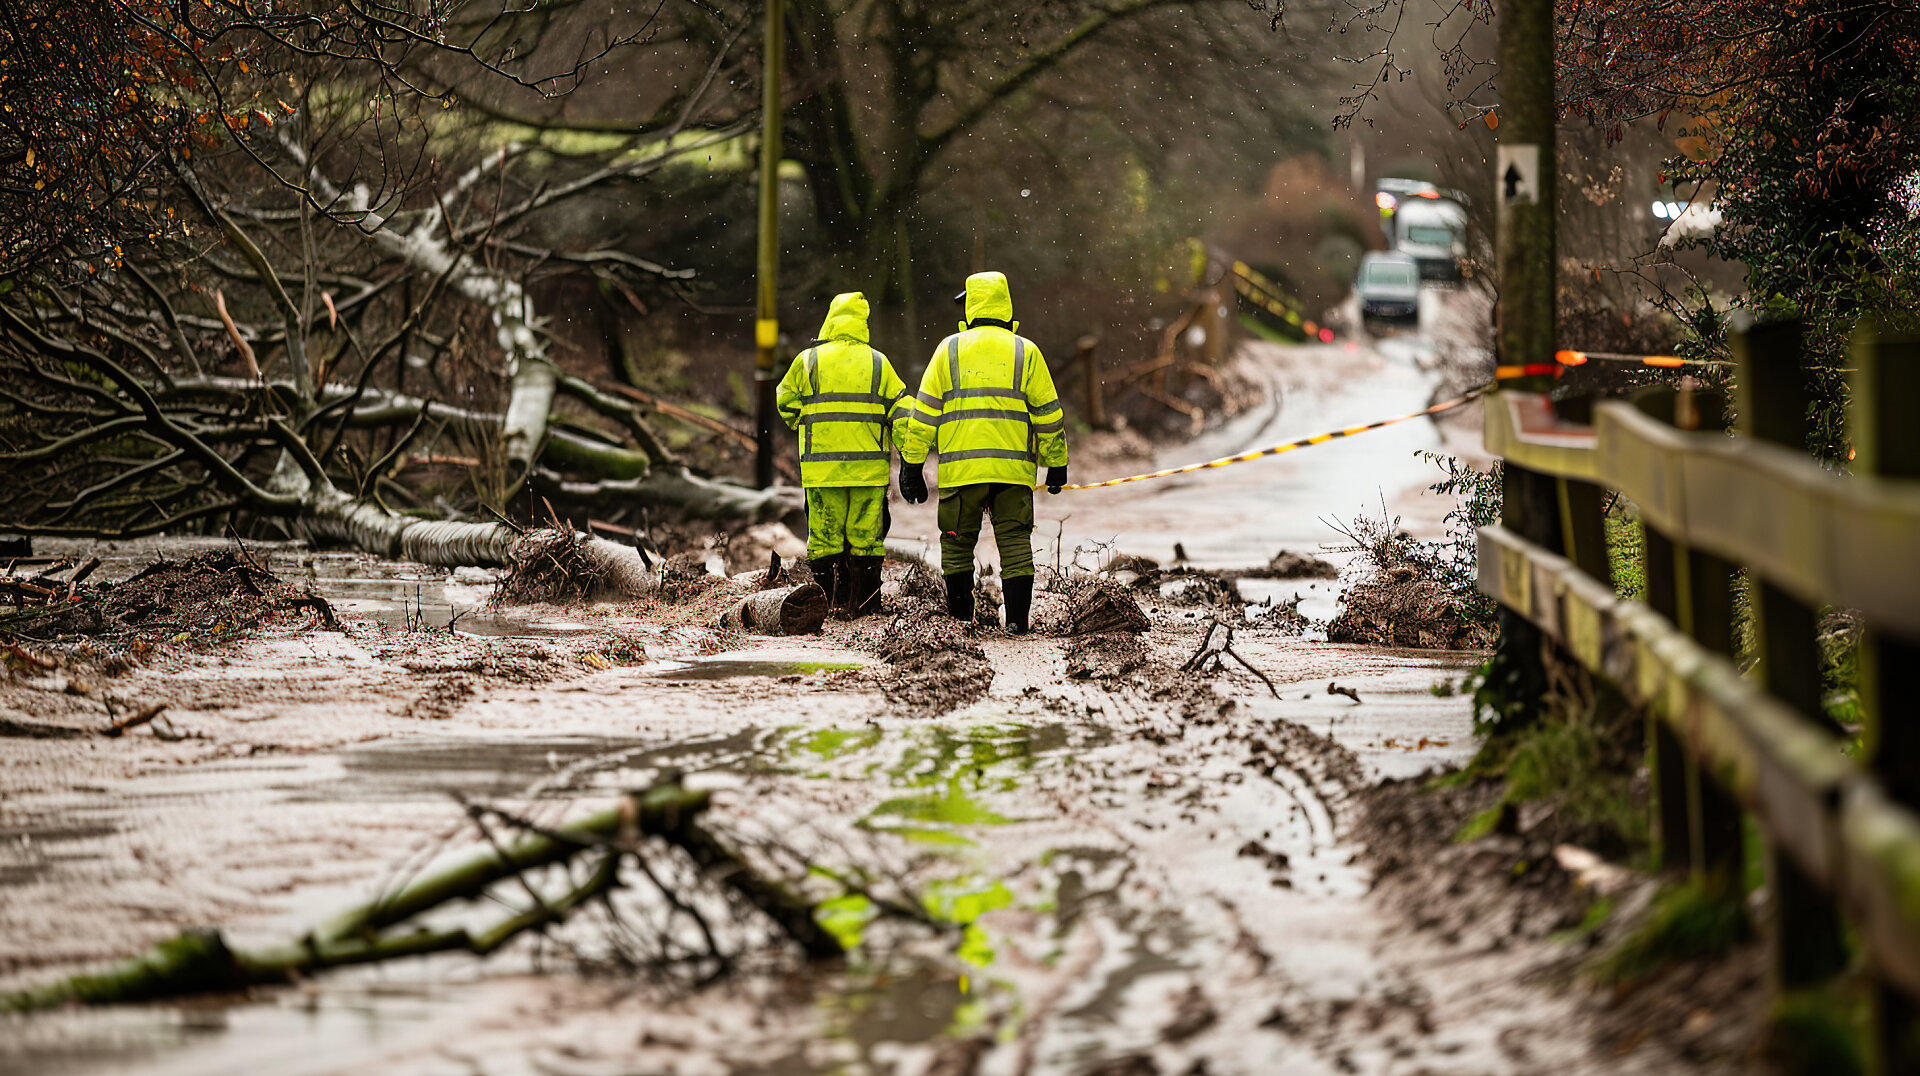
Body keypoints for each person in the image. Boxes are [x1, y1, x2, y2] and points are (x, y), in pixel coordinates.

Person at [897, 271, 1068, 634]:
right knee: (1016, 545)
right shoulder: (1027, 351)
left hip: (962, 475)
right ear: (1006, 308)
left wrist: (912, 465)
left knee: (956, 547)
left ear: (972, 308)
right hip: (1013, 475)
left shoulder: (949, 349)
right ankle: (1018, 624)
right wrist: (1057, 463)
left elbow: (924, 415)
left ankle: (961, 622)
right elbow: (1049, 415)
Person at [776, 291, 911, 617]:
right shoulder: (879, 363)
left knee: (824, 539)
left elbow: (786, 402)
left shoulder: (808, 361)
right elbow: (902, 412)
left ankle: (829, 603)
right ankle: (866, 605)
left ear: (830, 320)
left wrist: (804, 420)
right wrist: (911, 457)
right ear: (863, 324)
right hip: (868, 472)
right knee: (867, 539)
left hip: (822, 471)